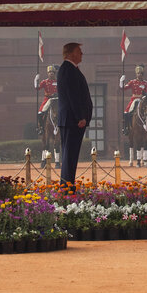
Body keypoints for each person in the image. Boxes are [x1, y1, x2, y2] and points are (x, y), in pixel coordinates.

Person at [57, 42, 92, 187]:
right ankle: (66, 188)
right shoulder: (68, 69)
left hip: (72, 120)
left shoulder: (72, 69)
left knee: (71, 157)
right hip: (72, 120)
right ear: (71, 53)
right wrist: (80, 117)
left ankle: (68, 186)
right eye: (79, 51)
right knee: (69, 157)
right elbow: (73, 96)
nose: (82, 54)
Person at [120, 63, 147, 136]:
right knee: (126, 112)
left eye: (141, 73)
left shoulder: (146, 83)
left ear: (142, 74)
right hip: (134, 99)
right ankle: (126, 128)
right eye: (138, 73)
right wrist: (121, 81)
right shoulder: (132, 82)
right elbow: (123, 88)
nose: (139, 75)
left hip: (142, 99)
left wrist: (145, 96)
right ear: (136, 74)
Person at [35, 65, 58, 135]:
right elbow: (37, 88)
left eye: (52, 72)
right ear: (47, 73)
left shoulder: (59, 81)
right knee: (41, 112)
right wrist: (36, 80)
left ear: (55, 73)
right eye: (49, 72)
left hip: (57, 99)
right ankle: (41, 128)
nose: (51, 73)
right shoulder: (45, 82)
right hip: (48, 99)